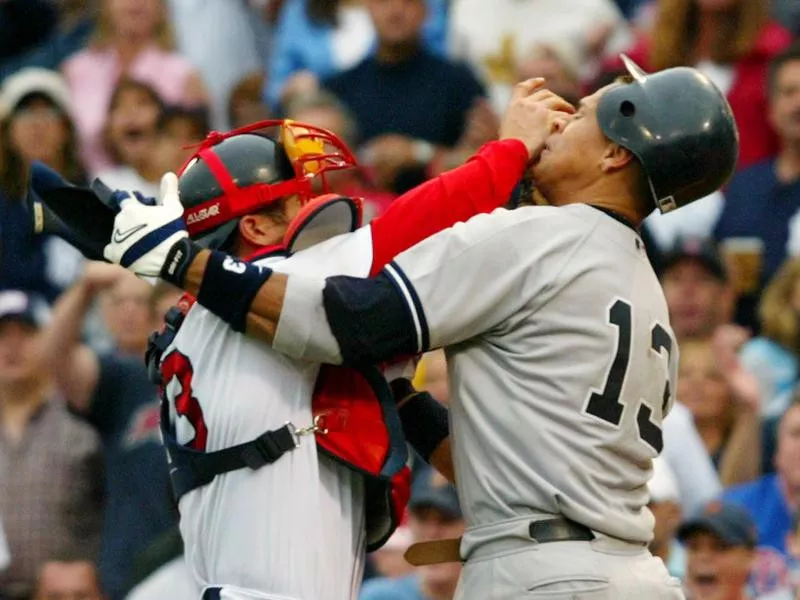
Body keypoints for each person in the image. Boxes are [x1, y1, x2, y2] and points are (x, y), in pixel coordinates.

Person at [98, 55, 738, 597]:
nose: (558, 122)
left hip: (543, 577)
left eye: (580, 114)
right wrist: (399, 400)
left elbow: (348, 320)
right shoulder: (644, 288)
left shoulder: (541, 235)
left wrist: (185, 263)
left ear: (616, 158)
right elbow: (496, 466)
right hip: (628, 573)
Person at [74, 105, 560, 600]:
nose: (317, 206)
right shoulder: (288, 279)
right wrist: (512, 148)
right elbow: (428, 216)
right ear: (256, 229)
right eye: (296, 199)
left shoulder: (197, 321)